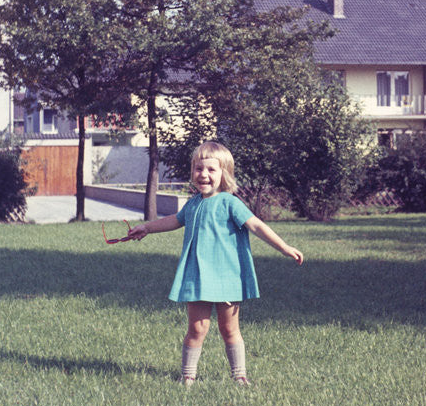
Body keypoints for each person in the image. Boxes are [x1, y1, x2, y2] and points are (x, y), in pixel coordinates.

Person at [126, 141, 304, 386]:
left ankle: (239, 376)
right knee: (197, 329)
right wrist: (146, 228)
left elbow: (257, 226)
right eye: (199, 169)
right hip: (197, 276)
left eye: (211, 169)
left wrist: (284, 247)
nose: (204, 175)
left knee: (229, 329)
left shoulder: (230, 203)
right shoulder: (193, 203)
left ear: (224, 173)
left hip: (227, 276)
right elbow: (174, 221)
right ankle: (187, 376)